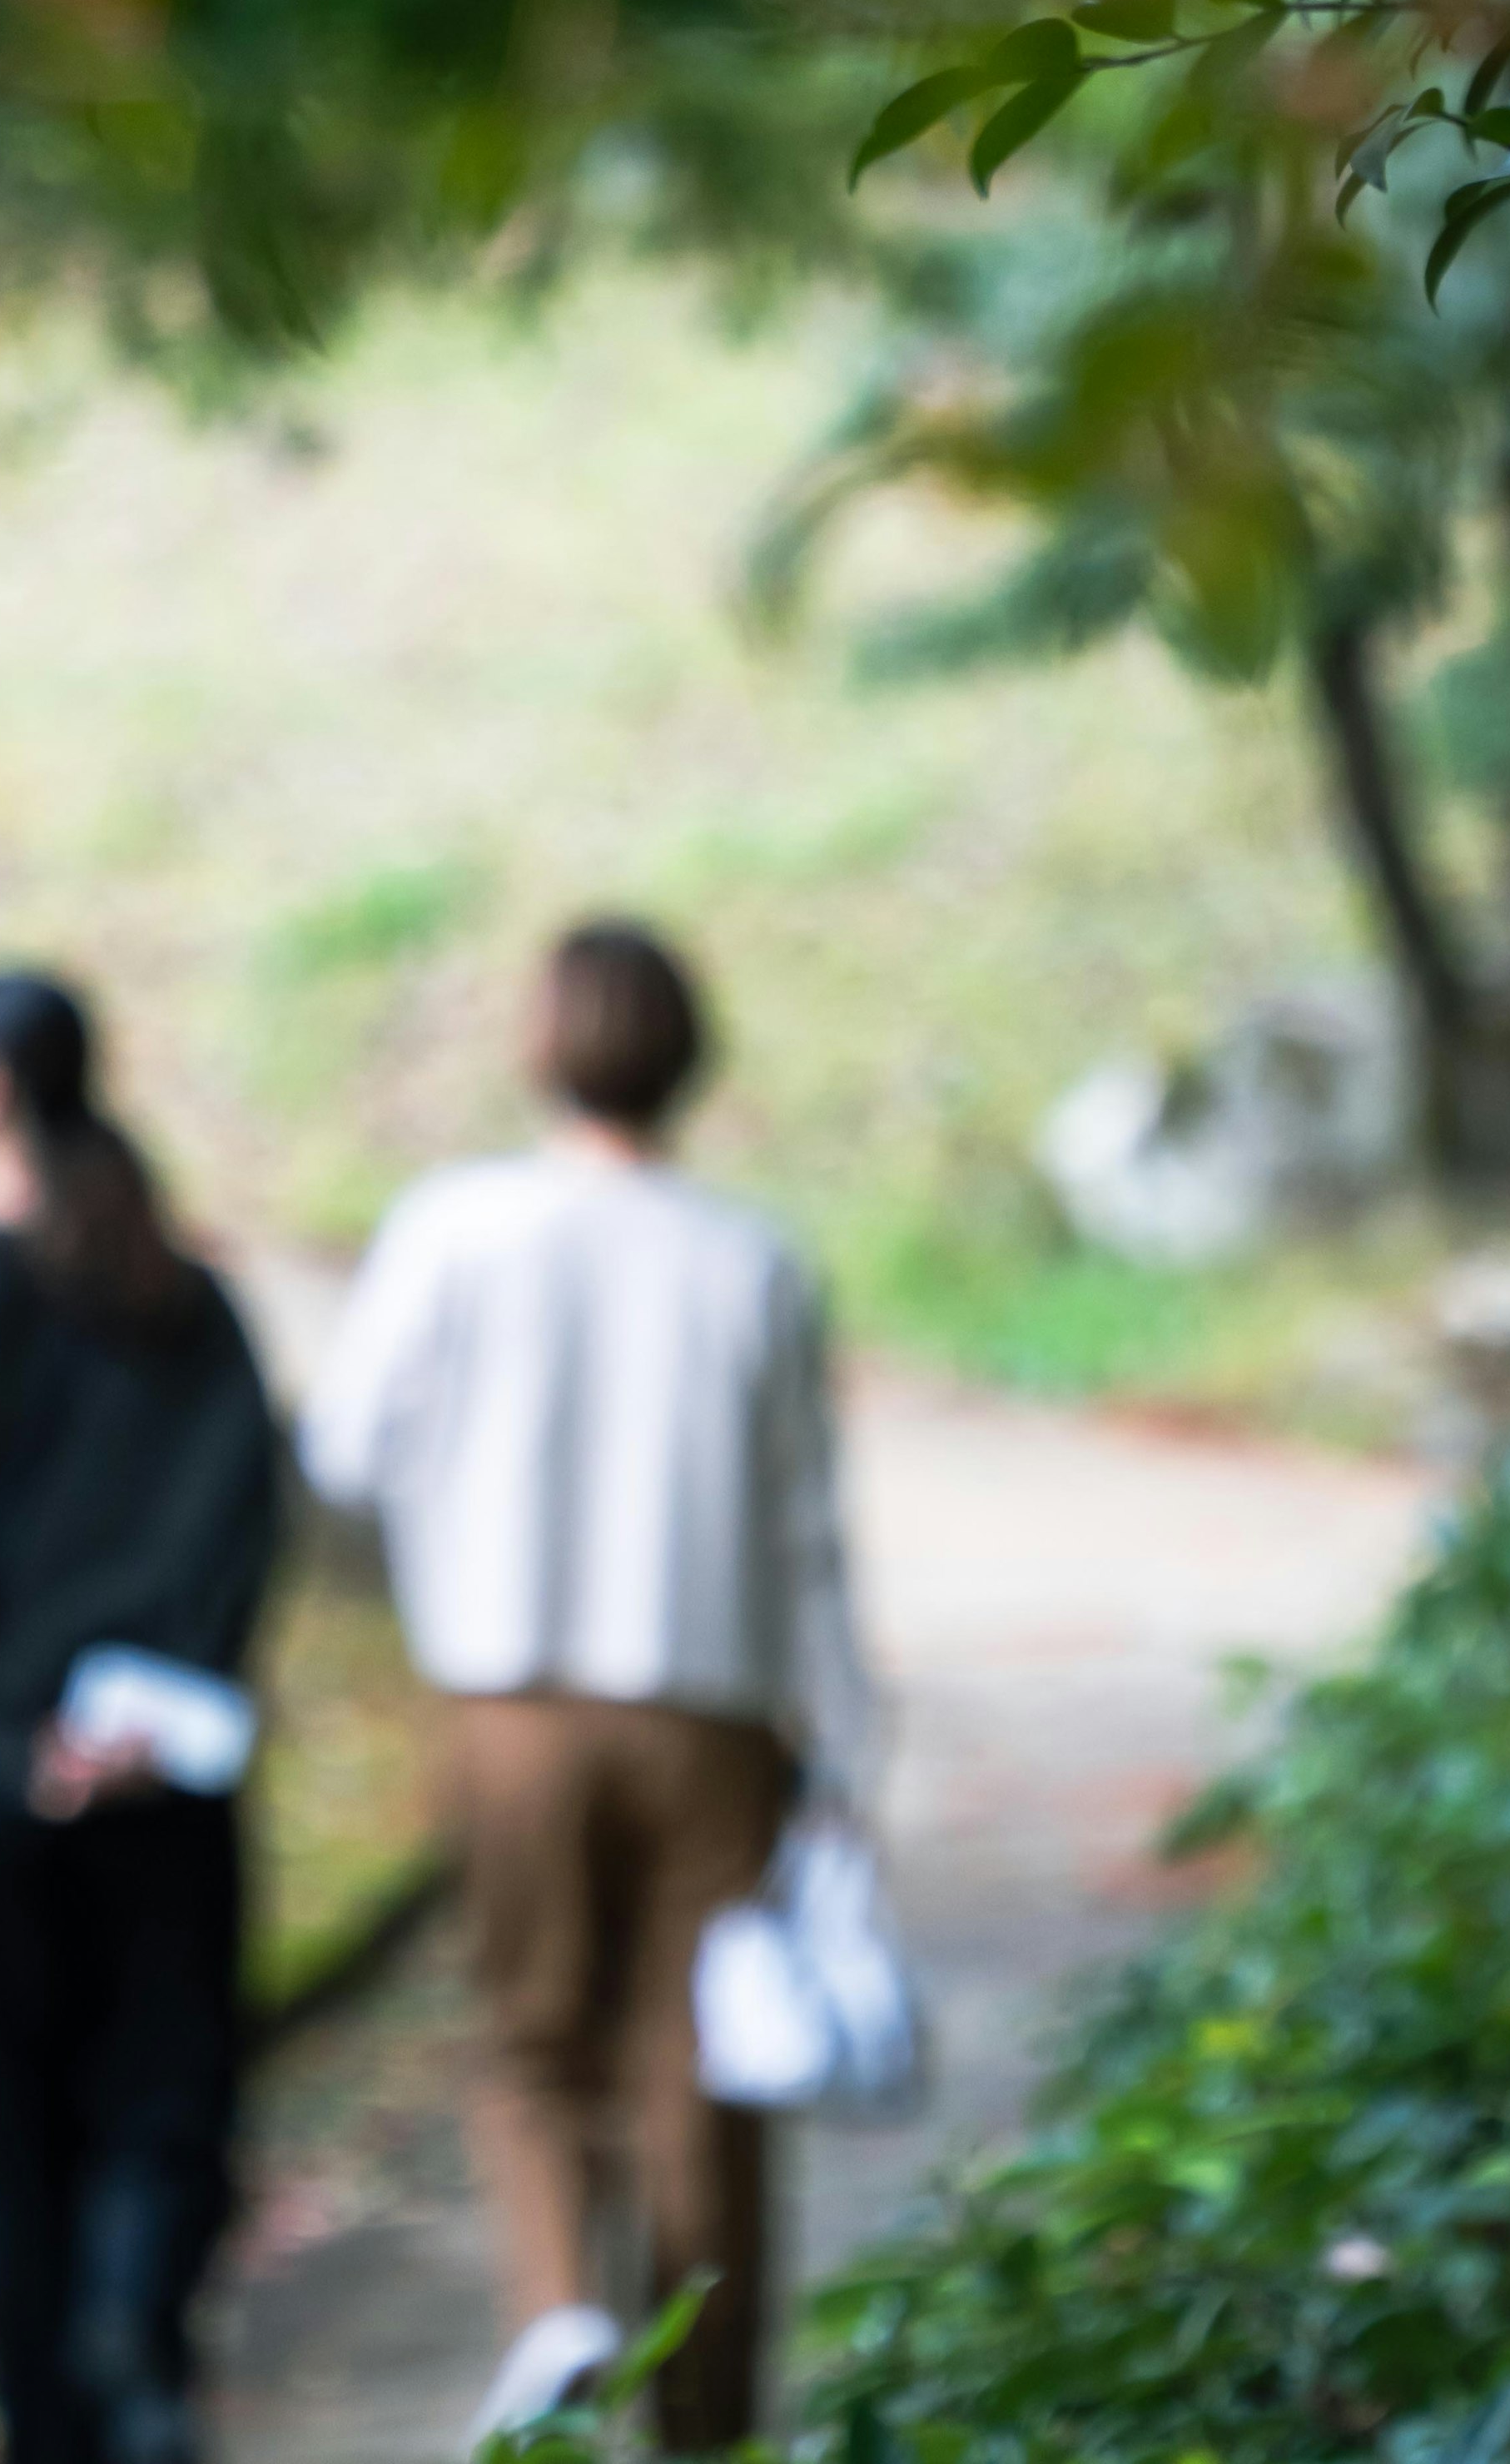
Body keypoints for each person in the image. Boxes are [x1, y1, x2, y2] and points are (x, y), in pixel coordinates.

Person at [302, 918, 878, 2453]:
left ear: (536, 1046)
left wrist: (460, 1511)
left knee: (531, 2040)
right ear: (693, 1056)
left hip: (509, 1700)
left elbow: (347, 1449)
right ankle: (704, 2423)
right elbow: (810, 1531)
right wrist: (851, 1761)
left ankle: (559, 2322)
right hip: (715, 1711)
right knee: (704, 2073)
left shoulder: (454, 1227)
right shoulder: (753, 1256)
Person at [0, 972, 283, 2464]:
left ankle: (62, 2412)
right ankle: (139, 2342)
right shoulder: (191, 1303)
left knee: (15, 2162)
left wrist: (15, 1740)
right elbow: (241, 1531)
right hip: (172, 1788)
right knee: (167, 2110)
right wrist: (157, 1713)